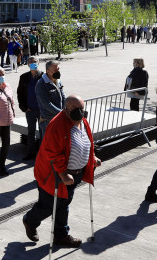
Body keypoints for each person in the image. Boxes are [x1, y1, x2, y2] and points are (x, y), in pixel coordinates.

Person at [22, 96, 100, 247]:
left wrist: (93, 157)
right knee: (48, 205)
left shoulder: (82, 121)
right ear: (66, 108)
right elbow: (53, 152)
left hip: (75, 174)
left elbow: (87, 141)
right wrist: (63, 174)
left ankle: (61, 235)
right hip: (54, 175)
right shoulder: (57, 124)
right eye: (75, 109)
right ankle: (29, 221)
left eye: (81, 109)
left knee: (64, 204)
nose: (80, 112)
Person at [17, 56, 43, 159]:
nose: (33, 63)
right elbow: (20, 93)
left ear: (38, 63)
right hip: (30, 110)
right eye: (30, 62)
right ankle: (31, 153)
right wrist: (24, 107)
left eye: (35, 61)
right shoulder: (24, 77)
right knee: (31, 132)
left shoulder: (44, 77)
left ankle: (42, 154)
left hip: (42, 111)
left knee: (42, 133)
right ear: (28, 64)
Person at [35, 60, 65, 137]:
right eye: (55, 70)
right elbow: (46, 104)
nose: (57, 72)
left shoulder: (58, 81)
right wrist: (62, 113)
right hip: (48, 121)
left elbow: (63, 97)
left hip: (59, 118)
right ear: (48, 71)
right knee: (48, 146)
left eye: (58, 69)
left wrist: (65, 110)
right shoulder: (41, 84)